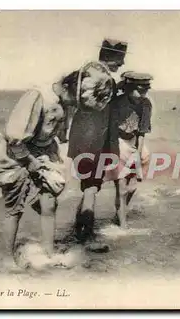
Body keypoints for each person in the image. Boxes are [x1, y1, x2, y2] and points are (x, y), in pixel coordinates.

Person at [0, 89, 70, 271]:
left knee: (49, 203)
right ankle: (7, 257)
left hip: (43, 153)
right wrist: (30, 161)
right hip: (16, 158)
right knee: (14, 210)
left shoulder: (56, 113)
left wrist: (47, 163)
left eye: (60, 123)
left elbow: (56, 137)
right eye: (51, 122)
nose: (55, 127)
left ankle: (48, 252)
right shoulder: (27, 122)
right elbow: (14, 141)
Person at [65, 38, 127, 248]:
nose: (122, 65)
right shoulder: (105, 79)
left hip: (79, 138)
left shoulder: (85, 72)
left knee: (88, 187)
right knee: (92, 187)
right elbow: (106, 114)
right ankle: (88, 237)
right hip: (95, 141)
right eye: (119, 61)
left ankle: (79, 231)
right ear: (110, 58)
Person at [104, 72, 154, 228]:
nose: (142, 94)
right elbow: (110, 129)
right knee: (122, 187)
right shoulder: (116, 103)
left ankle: (118, 215)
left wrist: (138, 155)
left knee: (132, 186)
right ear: (129, 88)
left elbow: (142, 131)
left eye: (146, 90)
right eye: (139, 90)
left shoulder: (146, 104)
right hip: (117, 141)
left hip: (134, 141)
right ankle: (123, 224)